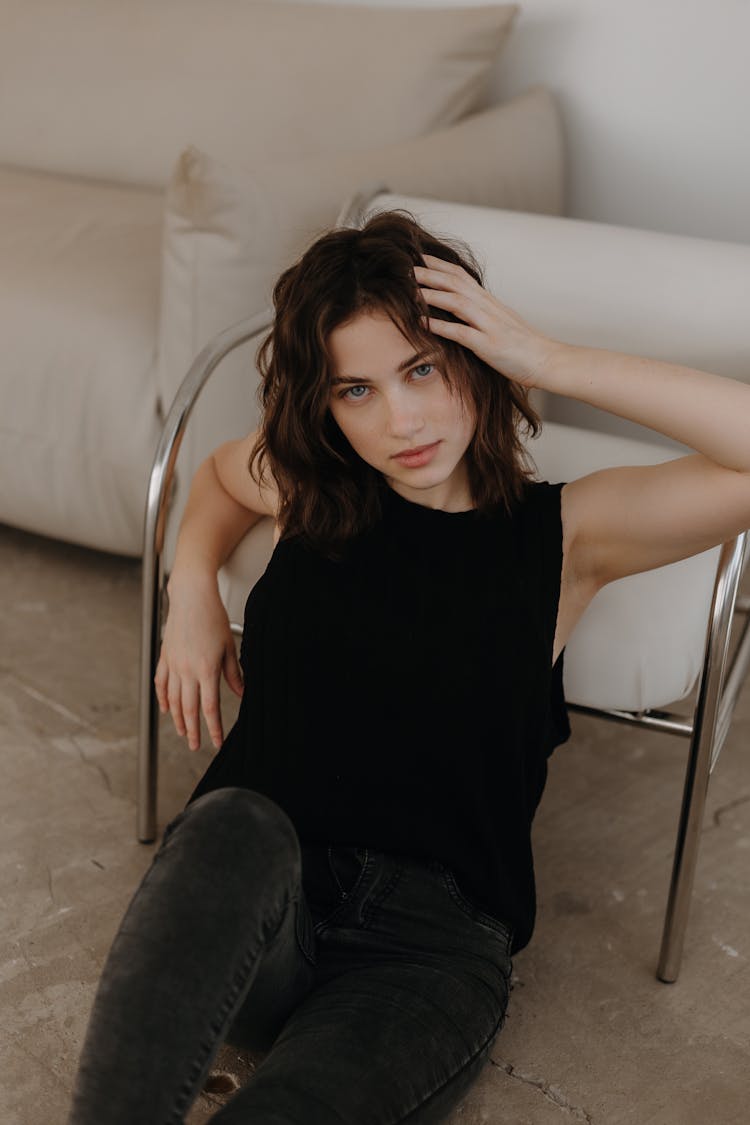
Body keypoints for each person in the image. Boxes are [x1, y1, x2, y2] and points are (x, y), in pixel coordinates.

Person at [68, 211, 750, 1124]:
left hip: (428, 950)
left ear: (474, 357)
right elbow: (225, 476)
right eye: (357, 390)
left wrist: (544, 357)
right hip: (266, 893)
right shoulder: (313, 495)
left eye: (421, 368)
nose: (402, 420)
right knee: (229, 826)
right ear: (326, 406)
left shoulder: (564, 538)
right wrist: (188, 588)